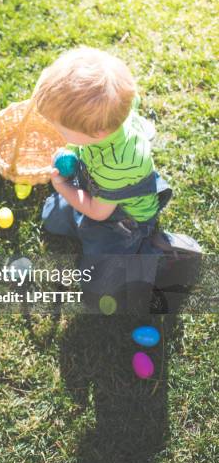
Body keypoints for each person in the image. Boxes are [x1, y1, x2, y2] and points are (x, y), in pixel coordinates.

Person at [34, 46, 199, 312]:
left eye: (61, 128)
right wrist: (72, 151)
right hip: (101, 191)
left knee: (98, 286)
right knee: (52, 218)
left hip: (122, 220)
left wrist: (62, 186)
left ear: (96, 133)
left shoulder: (116, 165)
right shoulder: (112, 115)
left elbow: (98, 213)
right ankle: (80, 222)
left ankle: (155, 253)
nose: (56, 130)